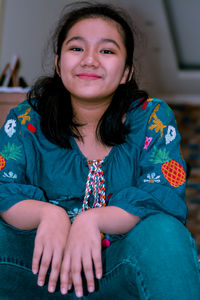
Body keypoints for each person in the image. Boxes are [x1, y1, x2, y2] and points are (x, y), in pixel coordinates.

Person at [0, 2, 200, 299]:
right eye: (76, 48)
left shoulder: (151, 118)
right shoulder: (26, 119)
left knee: (164, 233)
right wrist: (48, 214)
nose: (90, 60)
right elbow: (4, 188)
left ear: (126, 73)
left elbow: (163, 196)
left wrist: (92, 219)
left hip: (115, 274)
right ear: (58, 64)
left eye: (107, 51)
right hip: (36, 272)